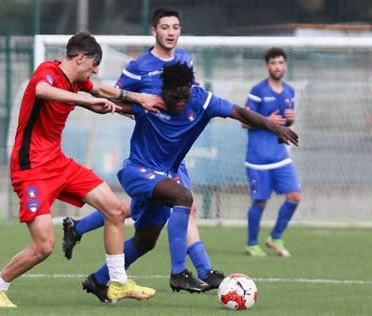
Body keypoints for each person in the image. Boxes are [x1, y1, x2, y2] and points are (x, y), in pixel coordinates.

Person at [79, 62, 298, 302]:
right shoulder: (150, 102)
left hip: (165, 176)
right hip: (138, 172)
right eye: (175, 97)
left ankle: (98, 279)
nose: (180, 102)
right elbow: (105, 99)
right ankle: (178, 273)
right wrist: (87, 96)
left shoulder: (202, 101)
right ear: (164, 90)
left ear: (191, 89)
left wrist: (272, 126)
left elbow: (239, 112)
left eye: (184, 96)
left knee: (145, 242)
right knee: (183, 196)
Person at [0, 31, 163, 308]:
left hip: (58, 162)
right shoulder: (48, 72)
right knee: (44, 246)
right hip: (31, 168)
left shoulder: (76, 81)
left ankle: (116, 281)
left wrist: (138, 99)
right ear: (80, 58)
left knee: (115, 209)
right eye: (94, 64)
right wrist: (87, 102)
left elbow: (101, 90)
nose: (97, 70)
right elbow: (42, 90)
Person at [62, 7, 225, 292]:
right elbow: (115, 97)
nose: (171, 32)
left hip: (174, 155)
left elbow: (191, 93)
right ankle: (203, 270)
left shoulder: (185, 59)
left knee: (134, 213)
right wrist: (143, 109)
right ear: (154, 31)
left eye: (175, 27)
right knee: (183, 205)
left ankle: (83, 241)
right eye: (165, 27)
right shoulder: (138, 66)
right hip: (150, 154)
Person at [243, 47, 302, 257]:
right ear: (267, 66)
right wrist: (267, 121)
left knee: (295, 196)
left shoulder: (289, 91)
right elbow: (244, 122)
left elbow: (285, 122)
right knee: (259, 201)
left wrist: (291, 119)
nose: (277, 66)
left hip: (280, 157)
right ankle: (251, 244)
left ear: (285, 65)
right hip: (258, 159)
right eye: (273, 63)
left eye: (280, 63)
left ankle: (275, 237)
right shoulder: (258, 90)